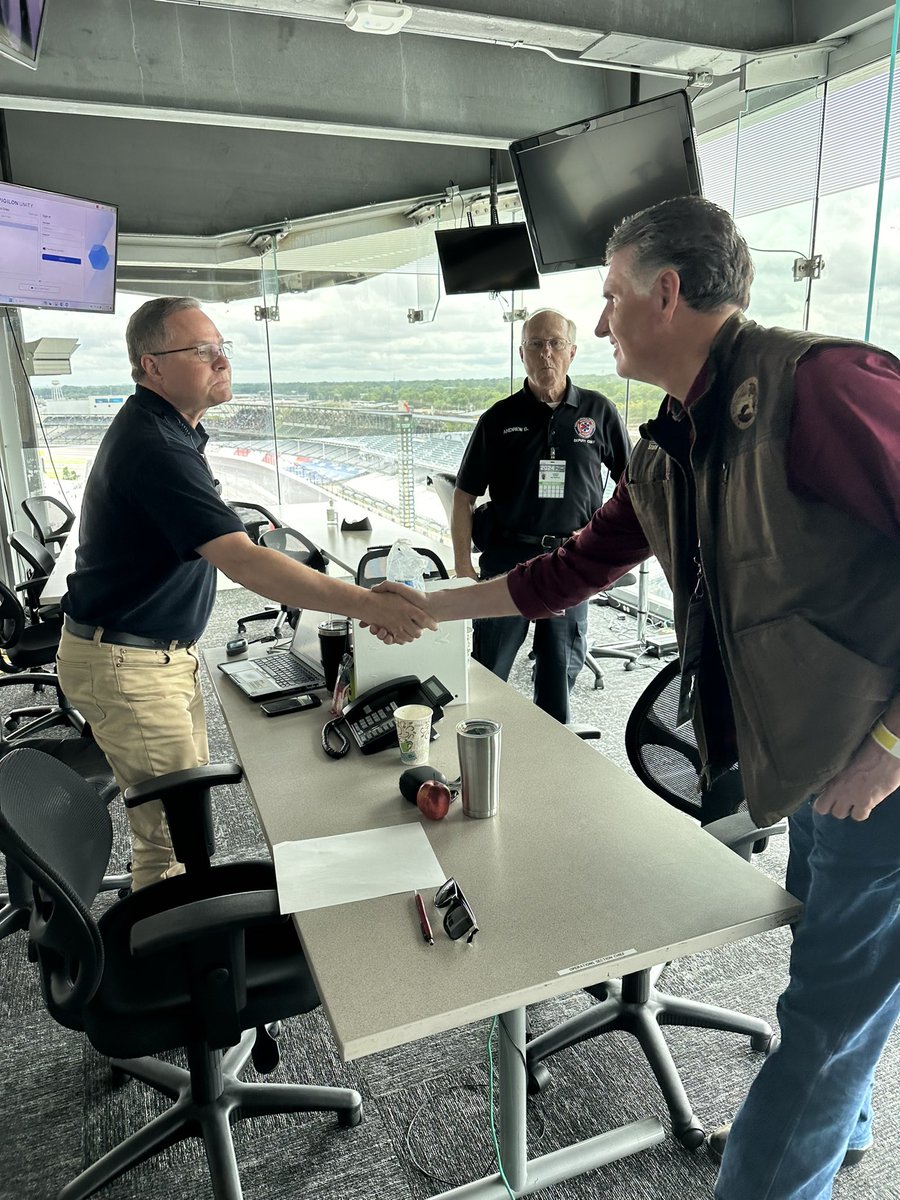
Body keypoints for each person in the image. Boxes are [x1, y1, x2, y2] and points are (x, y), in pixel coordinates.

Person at [375, 197, 900, 1200]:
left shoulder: (823, 387)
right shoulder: (673, 442)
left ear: (667, 292)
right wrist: (428, 606)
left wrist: (890, 745)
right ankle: (846, 1128)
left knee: (828, 1021)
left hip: (881, 768)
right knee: (837, 992)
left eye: (611, 298)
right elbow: (562, 573)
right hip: (825, 770)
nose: (602, 323)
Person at [56, 296, 435, 891]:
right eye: (203, 351)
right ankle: (173, 962)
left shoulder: (171, 431)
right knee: (172, 842)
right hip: (128, 662)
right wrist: (366, 604)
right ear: (152, 366)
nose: (222, 361)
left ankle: (183, 929)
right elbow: (241, 562)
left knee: (180, 814)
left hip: (154, 655)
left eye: (222, 348)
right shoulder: (155, 447)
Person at [451, 308, 630, 723]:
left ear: (572, 352)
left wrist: (604, 544)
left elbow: (632, 485)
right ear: (522, 354)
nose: (545, 353)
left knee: (558, 680)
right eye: (535, 344)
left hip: (571, 563)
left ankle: (550, 767)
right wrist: (462, 564)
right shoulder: (498, 419)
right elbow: (464, 496)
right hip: (506, 562)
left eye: (555, 343)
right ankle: (479, 750)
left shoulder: (598, 412)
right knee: (487, 673)